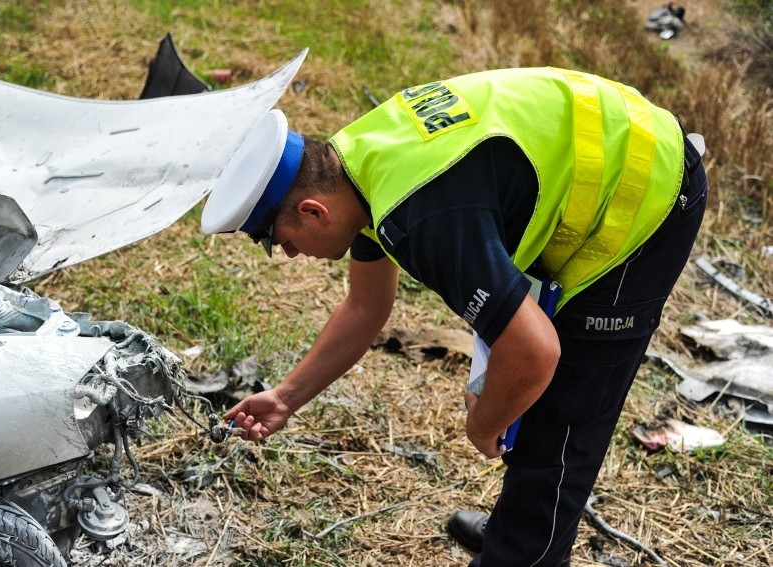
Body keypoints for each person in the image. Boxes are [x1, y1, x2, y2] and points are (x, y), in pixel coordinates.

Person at [200, 66, 707, 566]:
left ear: (312, 211)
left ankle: (524, 553)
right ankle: (517, 529)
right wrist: (287, 397)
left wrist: (484, 422)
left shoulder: (418, 211)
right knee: (524, 390)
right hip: (593, 159)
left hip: (646, 186)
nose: (288, 254)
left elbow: (534, 353)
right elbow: (366, 306)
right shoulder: (355, 164)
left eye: (279, 241)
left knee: (564, 417)